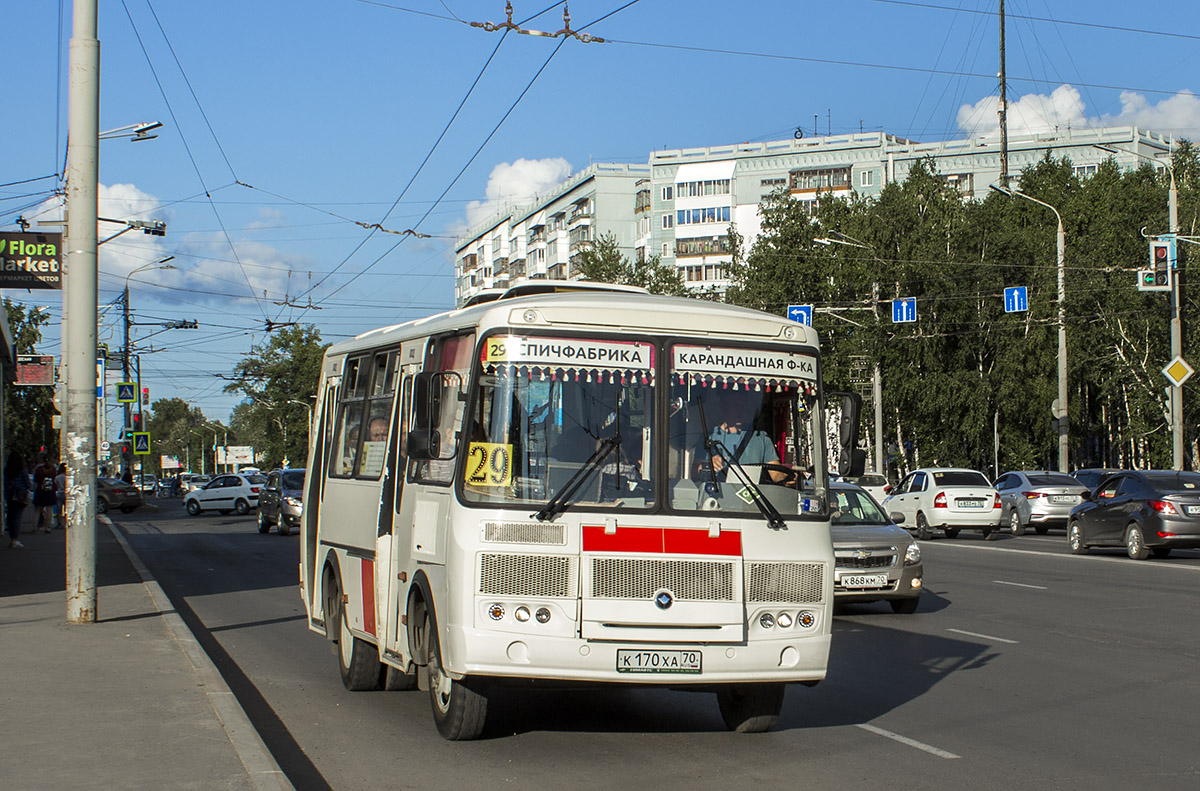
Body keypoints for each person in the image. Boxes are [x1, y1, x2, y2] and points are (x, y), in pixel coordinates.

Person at [695, 389, 790, 484]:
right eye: (735, 406)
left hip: (753, 496)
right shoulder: (708, 437)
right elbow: (694, 473)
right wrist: (708, 465)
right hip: (718, 495)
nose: (741, 410)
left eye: (743, 406)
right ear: (723, 406)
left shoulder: (760, 437)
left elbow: (776, 474)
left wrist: (788, 476)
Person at [4, 451, 32, 548]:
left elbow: (5, 483)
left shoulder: (6, 470)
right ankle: (15, 539)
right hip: (20, 495)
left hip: (10, 495)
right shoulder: (22, 470)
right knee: (17, 518)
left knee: (11, 517)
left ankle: (12, 537)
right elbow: (28, 483)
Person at [32, 454, 57, 533]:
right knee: (49, 509)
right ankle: (47, 527)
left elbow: (36, 479)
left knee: (38, 509)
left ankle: (35, 527)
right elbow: (54, 479)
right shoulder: (53, 469)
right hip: (50, 490)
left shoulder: (39, 469)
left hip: (40, 490)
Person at [54, 462, 67, 529]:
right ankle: (66, 522)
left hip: (59, 493)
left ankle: (59, 523)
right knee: (66, 509)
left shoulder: (57, 477)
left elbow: (56, 486)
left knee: (59, 509)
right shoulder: (67, 477)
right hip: (66, 493)